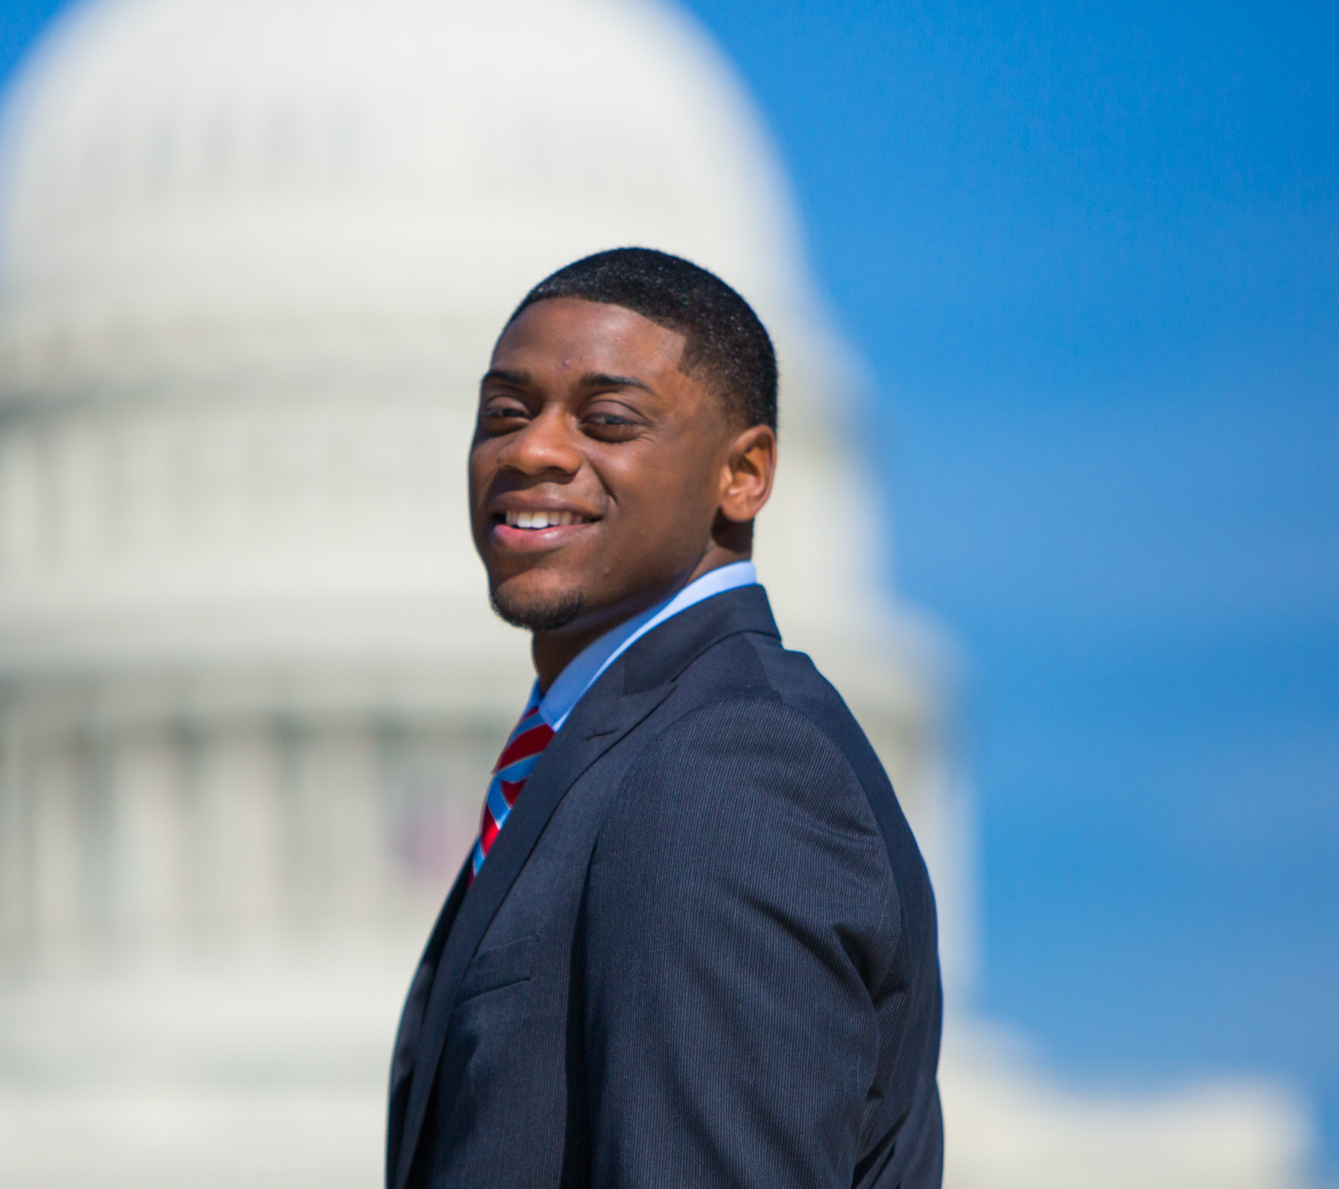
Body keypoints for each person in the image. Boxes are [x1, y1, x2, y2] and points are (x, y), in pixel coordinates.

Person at [386, 248, 943, 1189]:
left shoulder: (725, 770)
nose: (534, 450)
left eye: (608, 420)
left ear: (744, 473)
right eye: (505, 413)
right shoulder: (625, 753)